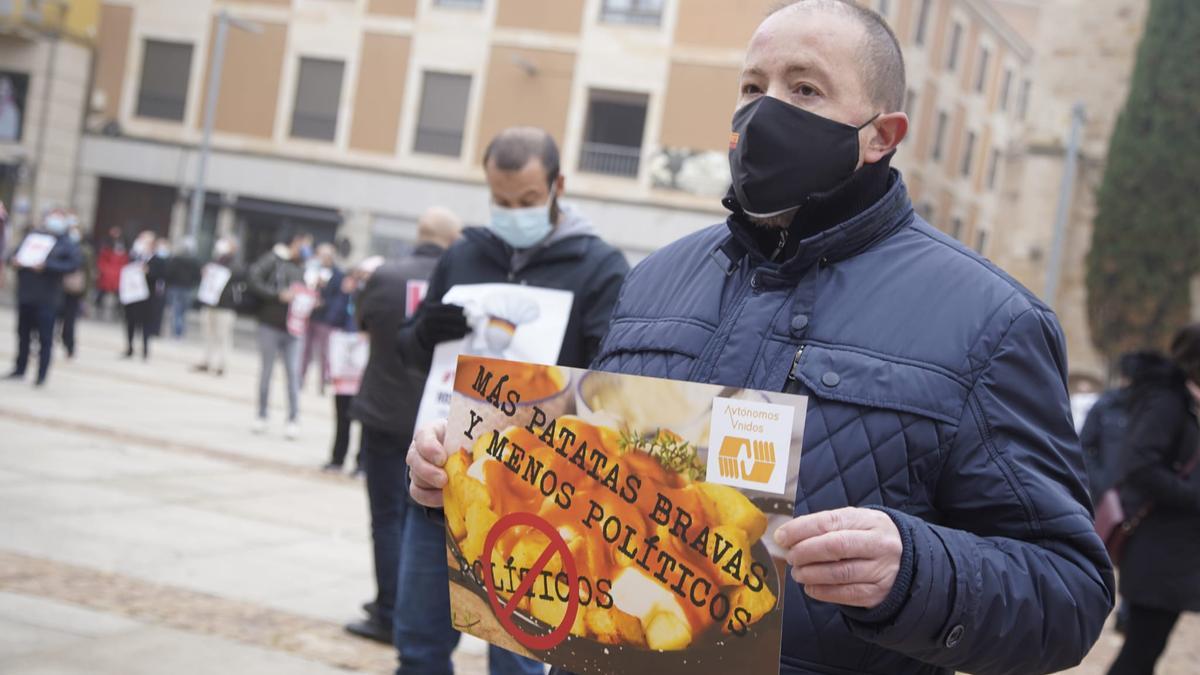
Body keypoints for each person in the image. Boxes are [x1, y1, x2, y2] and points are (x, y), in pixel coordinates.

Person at [407, 4, 1113, 674]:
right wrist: (471, 463)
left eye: (804, 88)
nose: (764, 109)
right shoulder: (657, 277)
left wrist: (916, 570)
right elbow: (588, 477)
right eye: (752, 85)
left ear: (882, 134)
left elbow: (1071, 591)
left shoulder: (991, 320)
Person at [395, 127, 629, 674]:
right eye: (501, 200)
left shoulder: (598, 267)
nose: (513, 212)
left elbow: (612, 379)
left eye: (526, 200)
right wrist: (427, 329)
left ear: (556, 186)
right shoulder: (464, 254)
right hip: (443, 482)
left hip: (534, 498)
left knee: (518, 660)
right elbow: (410, 350)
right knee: (418, 645)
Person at [341, 207, 462, 645]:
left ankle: (390, 607)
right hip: (434, 416)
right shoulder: (461, 282)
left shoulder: (386, 275)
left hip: (385, 409)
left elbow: (363, 324)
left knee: (386, 516)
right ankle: (410, 612)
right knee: (428, 524)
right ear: (453, 237)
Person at [1105, 328, 1200, 675]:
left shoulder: (1186, 402)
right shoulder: (1167, 402)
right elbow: (1139, 465)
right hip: (1156, 549)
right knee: (1140, 651)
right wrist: (1194, 497)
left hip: (1173, 552)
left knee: (1147, 648)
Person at [5, 210, 82, 386]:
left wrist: (48, 266)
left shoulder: (66, 243)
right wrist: (14, 260)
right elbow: (13, 254)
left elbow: (73, 265)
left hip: (48, 298)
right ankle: (20, 368)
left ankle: (41, 374)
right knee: (22, 334)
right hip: (26, 294)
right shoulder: (34, 236)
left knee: (45, 338)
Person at [248, 231, 312, 439]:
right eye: (303, 244)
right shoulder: (275, 260)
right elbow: (254, 278)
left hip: (295, 329)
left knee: (293, 374)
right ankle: (262, 414)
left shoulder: (307, 267)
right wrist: (277, 295)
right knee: (266, 372)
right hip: (271, 325)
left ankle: (293, 419)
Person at [322, 262, 369, 474]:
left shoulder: (373, 298)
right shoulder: (347, 295)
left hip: (365, 366)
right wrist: (343, 294)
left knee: (366, 419)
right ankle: (337, 458)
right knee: (342, 414)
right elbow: (332, 318)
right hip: (344, 364)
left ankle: (362, 462)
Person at [193, 237, 242, 376]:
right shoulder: (216, 260)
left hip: (225, 306)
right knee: (208, 334)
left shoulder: (235, 263)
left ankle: (222, 364)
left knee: (223, 336)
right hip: (210, 302)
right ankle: (206, 360)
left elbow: (238, 275)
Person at [302, 243, 343, 394]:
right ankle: (301, 379)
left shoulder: (338, 275)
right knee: (305, 350)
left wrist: (324, 302)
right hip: (310, 315)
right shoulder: (312, 270)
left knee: (324, 353)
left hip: (326, 319)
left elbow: (339, 298)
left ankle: (322, 382)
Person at [121, 232, 165, 360]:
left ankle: (145, 349)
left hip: (147, 297)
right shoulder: (134, 257)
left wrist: (148, 271)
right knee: (130, 321)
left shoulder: (158, 260)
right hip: (132, 295)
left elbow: (161, 276)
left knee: (146, 323)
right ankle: (129, 347)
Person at [59, 218, 94, 359]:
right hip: (57, 288)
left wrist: (85, 294)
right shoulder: (60, 245)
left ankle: (69, 346)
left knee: (69, 320)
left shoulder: (85, 250)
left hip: (75, 290)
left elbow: (89, 273)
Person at [163, 238, 202, 339]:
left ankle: (177, 331)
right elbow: (198, 276)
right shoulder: (194, 261)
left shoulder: (176, 259)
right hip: (186, 288)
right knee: (182, 311)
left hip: (176, 287)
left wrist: (169, 283)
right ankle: (179, 331)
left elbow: (168, 273)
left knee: (176, 310)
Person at [95, 226, 128, 321]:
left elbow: (124, 262)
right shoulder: (106, 247)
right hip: (107, 275)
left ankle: (118, 312)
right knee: (101, 293)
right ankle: (99, 310)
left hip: (118, 275)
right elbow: (102, 261)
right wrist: (105, 270)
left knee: (119, 295)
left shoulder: (123, 246)